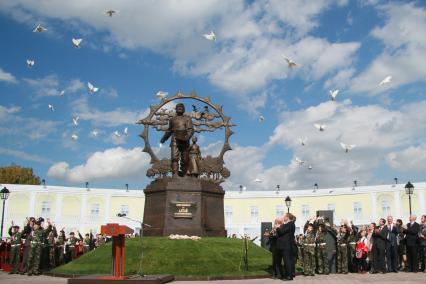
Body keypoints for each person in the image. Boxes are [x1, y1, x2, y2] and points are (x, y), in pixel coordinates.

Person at [160, 103, 194, 177]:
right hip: (175, 139)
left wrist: (187, 137)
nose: (180, 108)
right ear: (176, 109)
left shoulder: (187, 119)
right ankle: (175, 173)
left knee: (185, 159)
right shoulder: (172, 119)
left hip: (185, 140)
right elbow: (169, 131)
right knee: (174, 158)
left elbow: (190, 130)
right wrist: (164, 138)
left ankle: (185, 174)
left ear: (184, 109)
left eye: (181, 107)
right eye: (178, 107)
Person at [276, 213, 296, 281]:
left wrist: (278, 227)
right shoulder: (286, 224)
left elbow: (281, 232)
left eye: (284, 216)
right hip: (283, 245)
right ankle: (287, 275)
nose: (283, 217)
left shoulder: (290, 224)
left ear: (287, 217)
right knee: (286, 261)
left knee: (287, 261)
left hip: (286, 246)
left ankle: (289, 276)